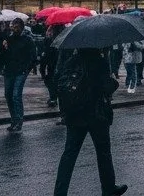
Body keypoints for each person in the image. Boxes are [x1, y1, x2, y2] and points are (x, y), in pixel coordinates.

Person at [52, 47, 128, 196]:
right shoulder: (100, 62)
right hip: (96, 113)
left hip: (75, 114)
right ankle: (108, 188)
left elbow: (57, 80)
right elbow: (106, 87)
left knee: (69, 154)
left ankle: (59, 192)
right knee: (103, 151)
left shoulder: (71, 61)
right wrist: (114, 82)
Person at [2, 17, 36, 132]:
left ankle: (19, 121)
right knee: (8, 95)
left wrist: (26, 69)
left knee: (16, 95)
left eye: (17, 27)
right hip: (9, 70)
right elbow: (4, 55)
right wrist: (3, 49)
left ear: (21, 27)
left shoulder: (27, 40)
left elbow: (33, 56)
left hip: (20, 71)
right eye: (13, 27)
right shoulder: (9, 39)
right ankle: (14, 119)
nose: (14, 29)